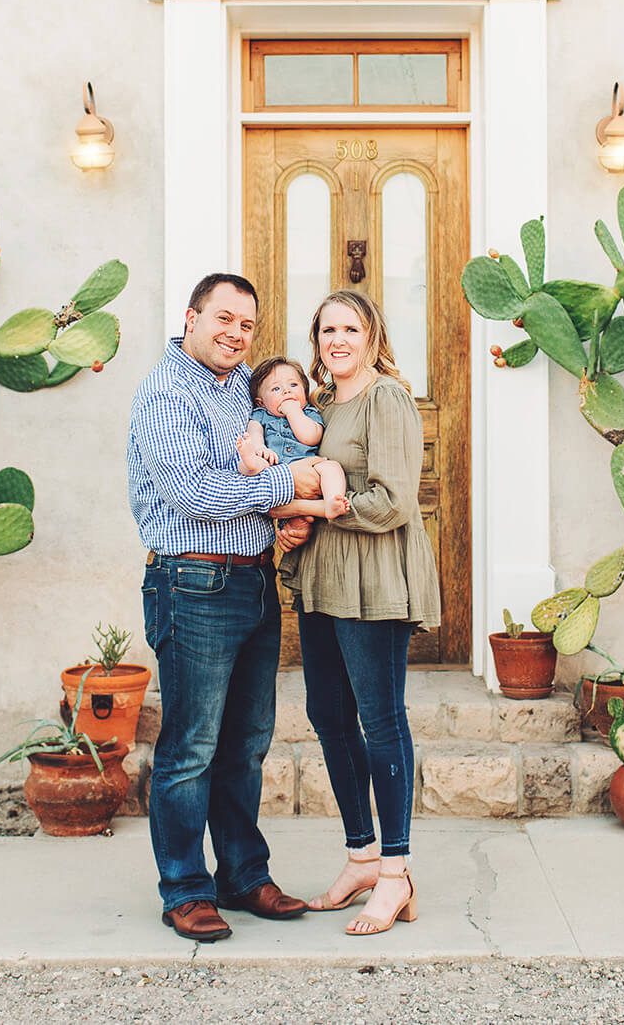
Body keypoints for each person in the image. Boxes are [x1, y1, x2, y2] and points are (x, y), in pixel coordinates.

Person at [127, 272, 322, 943]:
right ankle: (185, 887)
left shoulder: (239, 387)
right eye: (224, 319)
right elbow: (192, 493)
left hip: (251, 580)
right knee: (191, 747)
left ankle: (242, 872)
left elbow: (269, 453)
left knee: (246, 743)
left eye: (247, 324)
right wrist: (286, 482)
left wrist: (287, 516)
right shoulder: (165, 392)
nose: (236, 334)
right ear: (191, 316)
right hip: (192, 583)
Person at [279, 288, 441, 937]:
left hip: (374, 582)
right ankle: (362, 857)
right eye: (326, 330)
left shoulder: (387, 398)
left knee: (380, 719)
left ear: (372, 335)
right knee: (328, 714)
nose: (336, 340)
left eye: (349, 328)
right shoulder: (322, 407)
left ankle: (398, 875)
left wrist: (316, 509)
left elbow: (396, 500)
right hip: (326, 581)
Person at [243, 356, 351, 519]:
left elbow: (311, 437)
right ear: (261, 402)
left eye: (293, 385)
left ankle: (331, 502)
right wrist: (260, 448)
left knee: (332, 467)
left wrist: (293, 411)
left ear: (305, 392)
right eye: (276, 389)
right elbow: (254, 430)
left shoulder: (309, 412)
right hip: (274, 468)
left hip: (308, 468)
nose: (287, 391)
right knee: (248, 465)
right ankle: (250, 463)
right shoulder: (262, 415)